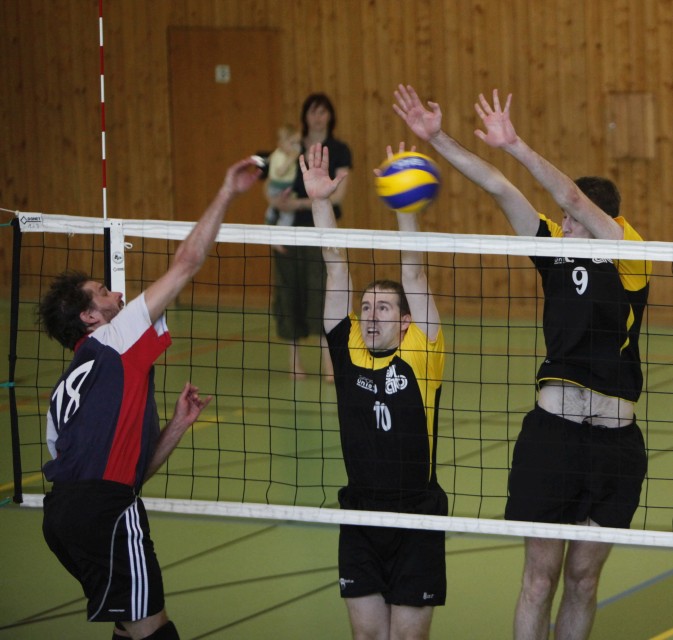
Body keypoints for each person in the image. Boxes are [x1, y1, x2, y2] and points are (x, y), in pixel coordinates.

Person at [393, 84, 651, 640]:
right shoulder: (553, 250)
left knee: (583, 580)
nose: (565, 225)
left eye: (573, 219)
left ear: (603, 221)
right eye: (562, 219)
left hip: (614, 447)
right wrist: (438, 138)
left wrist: (516, 144)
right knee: (539, 579)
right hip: (552, 438)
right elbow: (497, 186)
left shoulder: (629, 256)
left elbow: (574, 199)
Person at [37, 157, 261, 640]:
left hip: (61, 519)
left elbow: (127, 473)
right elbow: (187, 263)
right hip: (107, 511)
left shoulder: (65, 391)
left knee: (129, 624)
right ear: (90, 318)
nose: (117, 294)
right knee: (154, 630)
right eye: (103, 292)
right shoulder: (115, 339)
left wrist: (176, 426)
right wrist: (227, 191)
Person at [300, 142, 447, 640]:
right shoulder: (348, 350)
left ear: (405, 321)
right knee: (367, 636)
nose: (370, 314)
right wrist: (321, 201)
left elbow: (414, 272)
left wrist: (405, 208)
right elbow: (335, 265)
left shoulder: (422, 352)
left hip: (417, 515)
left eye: (383, 308)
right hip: (361, 513)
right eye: (366, 306)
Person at [266, 93, 352, 381]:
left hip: (322, 232)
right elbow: (272, 184)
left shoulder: (339, 150)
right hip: (289, 233)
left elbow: (337, 196)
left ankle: (329, 365)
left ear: (330, 116)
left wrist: (301, 204)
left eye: (323, 111)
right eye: (313, 111)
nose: (318, 117)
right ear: (305, 116)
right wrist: (278, 205)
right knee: (288, 294)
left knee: (324, 295)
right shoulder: (292, 146)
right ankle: (295, 364)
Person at [263, 122, 301, 227]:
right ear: (281, 144)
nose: (296, 147)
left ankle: (272, 218)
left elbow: (270, 159)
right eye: (292, 143)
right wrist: (291, 159)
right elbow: (280, 172)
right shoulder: (283, 157)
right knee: (287, 211)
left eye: (298, 143)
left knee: (280, 207)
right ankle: (279, 226)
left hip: (285, 187)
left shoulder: (277, 153)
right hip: (279, 187)